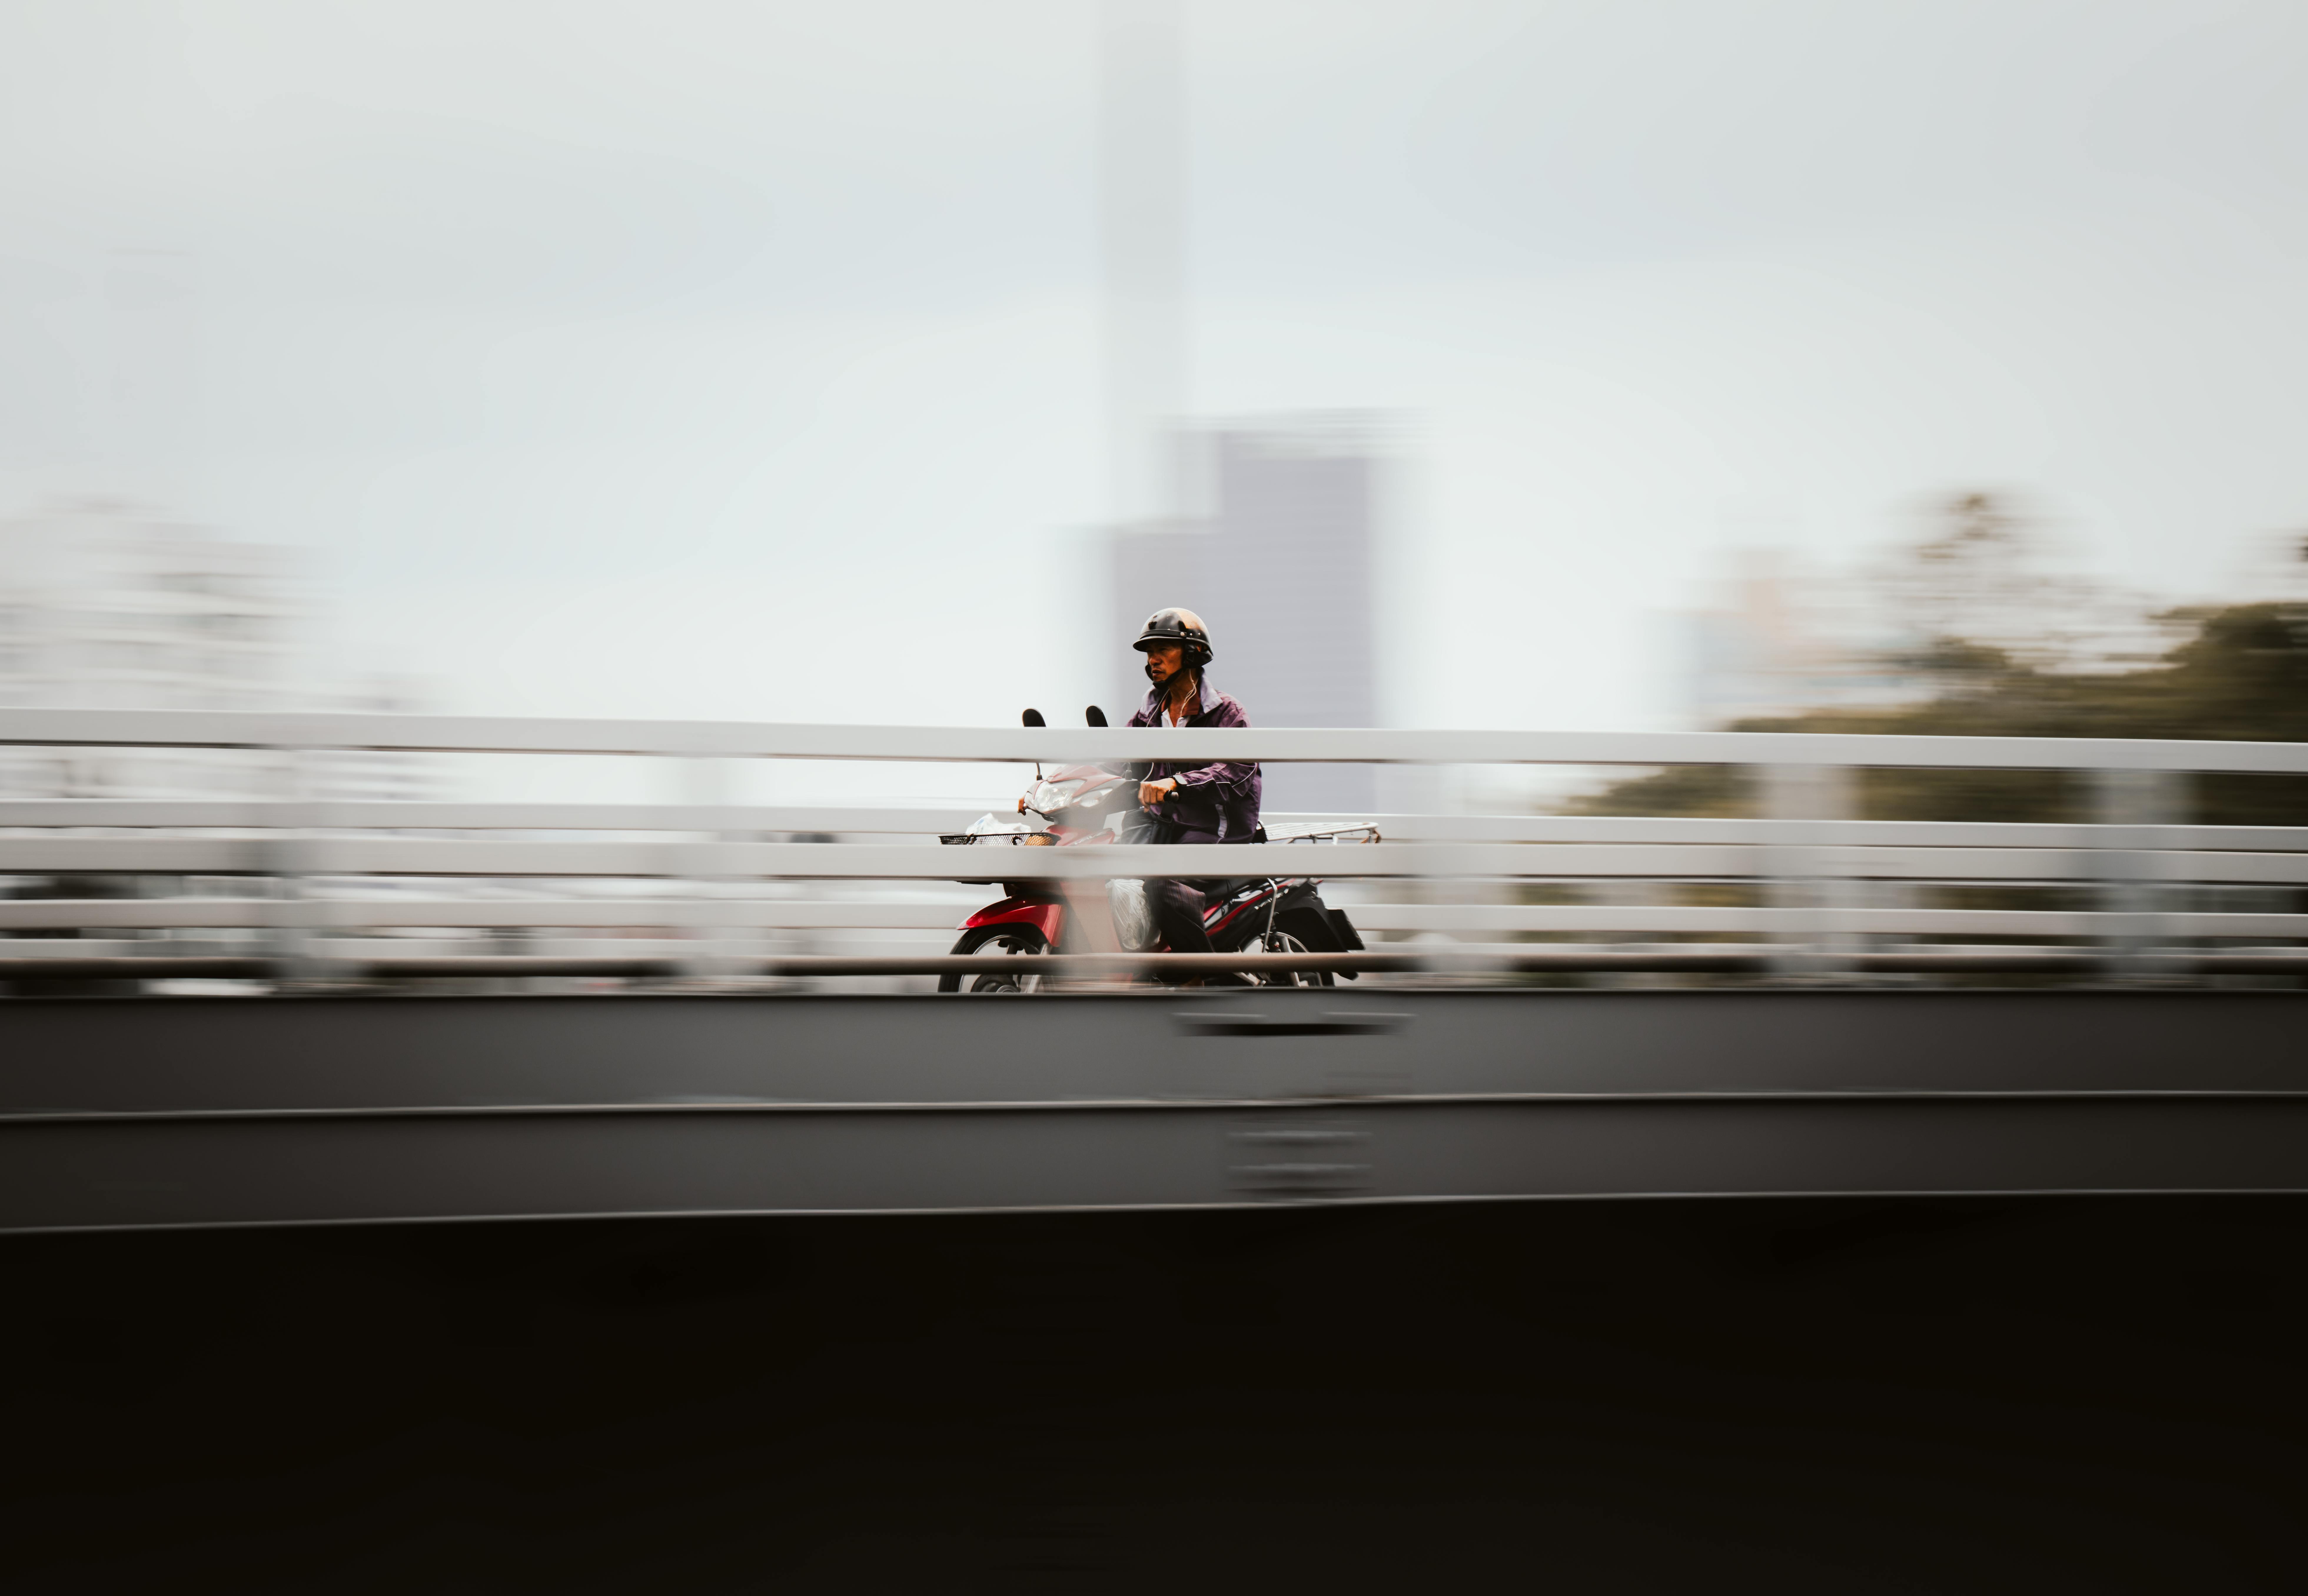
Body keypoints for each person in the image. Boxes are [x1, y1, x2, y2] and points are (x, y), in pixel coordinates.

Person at [1122, 608, 1262, 975]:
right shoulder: (1149, 714)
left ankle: (1202, 978)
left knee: (1163, 883)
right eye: (1149, 651)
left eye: (1164, 649)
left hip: (1214, 827)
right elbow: (1116, 760)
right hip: (1166, 827)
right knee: (1109, 871)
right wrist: (1053, 786)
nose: (1153, 658)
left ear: (1193, 654)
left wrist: (1177, 782)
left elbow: (1236, 770)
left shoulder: (1227, 712)